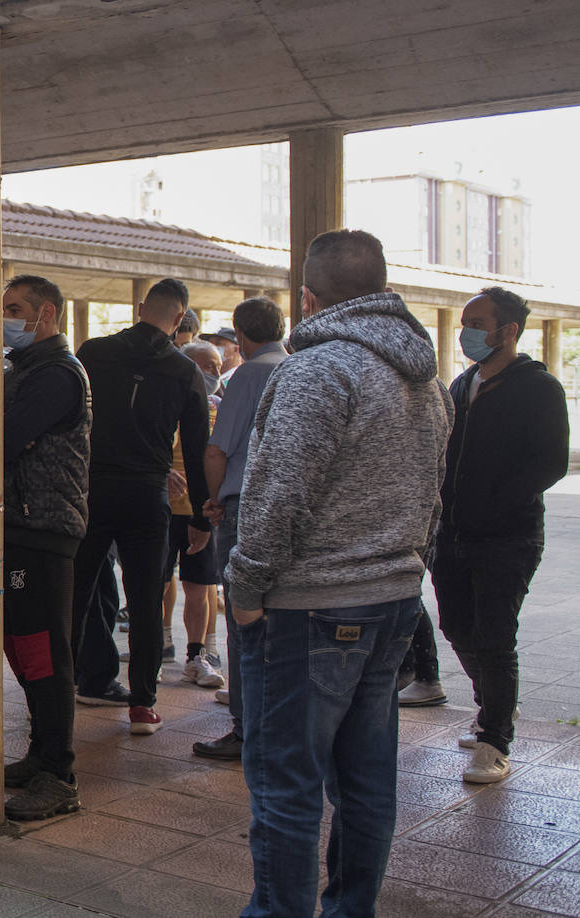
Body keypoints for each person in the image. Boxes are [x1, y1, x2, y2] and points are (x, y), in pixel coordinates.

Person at [227, 230, 452, 917]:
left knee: (287, 783)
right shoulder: (424, 379)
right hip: (392, 601)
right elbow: (433, 493)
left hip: (311, 606)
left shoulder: (318, 370)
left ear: (307, 298)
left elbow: (278, 494)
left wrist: (246, 588)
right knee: (365, 778)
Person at [434, 286, 569, 783]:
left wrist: (493, 502)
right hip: (451, 535)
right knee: (455, 627)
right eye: (465, 322)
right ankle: (491, 705)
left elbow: (551, 462)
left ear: (508, 331)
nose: (467, 332)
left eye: (476, 322)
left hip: (507, 538)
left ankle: (494, 739)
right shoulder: (462, 384)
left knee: (494, 637)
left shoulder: (538, 387)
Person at [70, 278, 212, 734]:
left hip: (91, 490)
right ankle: (142, 706)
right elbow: (196, 448)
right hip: (148, 496)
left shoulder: (92, 353)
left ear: (139, 308)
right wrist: (202, 515)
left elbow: (71, 423)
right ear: (179, 320)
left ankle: (54, 694)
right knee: (147, 600)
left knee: (74, 594)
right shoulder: (184, 371)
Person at [0, 274, 90, 821]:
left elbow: (3, 439)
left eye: (15, 309)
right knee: (21, 647)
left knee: (44, 652)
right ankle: (42, 755)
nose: (7, 319)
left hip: (44, 529)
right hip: (20, 528)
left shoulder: (56, 374)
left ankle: (59, 774)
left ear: (47, 314)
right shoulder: (26, 369)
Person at [192, 295, 286, 761]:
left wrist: (213, 500)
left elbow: (217, 450)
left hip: (243, 505)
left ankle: (247, 728)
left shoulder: (249, 374)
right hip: (284, 508)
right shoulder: (297, 368)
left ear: (242, 337)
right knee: (281, 616)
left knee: (243, 618)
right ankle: (278, 720)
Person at [164, 339, 225, 690]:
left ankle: (196, 655)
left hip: (203, 511)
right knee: (159, 581)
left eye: (217, 366)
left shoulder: (219, 407)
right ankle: (159, 645)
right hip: (168, 510)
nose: (215, 373)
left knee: (200, 586)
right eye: (207, 366)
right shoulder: (167, 404)